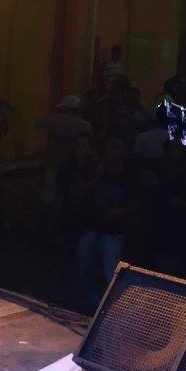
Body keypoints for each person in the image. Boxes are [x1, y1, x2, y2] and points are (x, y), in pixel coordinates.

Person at [76, 133, 135, 310]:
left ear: (124, 151)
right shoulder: (94, 169)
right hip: (92, 227)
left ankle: (115, 309)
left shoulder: (129, 174)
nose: (113, 151)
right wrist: (96, 177)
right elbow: (77, 194)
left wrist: (119, 212)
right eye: (110, 146)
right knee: (86, 268)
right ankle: (94, 306)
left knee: (112, 273)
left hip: (113, 231)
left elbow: (137, 205)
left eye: (118, 147)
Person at [37, 94, 93, 205]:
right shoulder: (85, 125)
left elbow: (38, 124)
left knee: (51, 186)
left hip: (53, 159)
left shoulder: (55, 119)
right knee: (68, 187)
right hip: (72, 161)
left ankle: (49, 208)